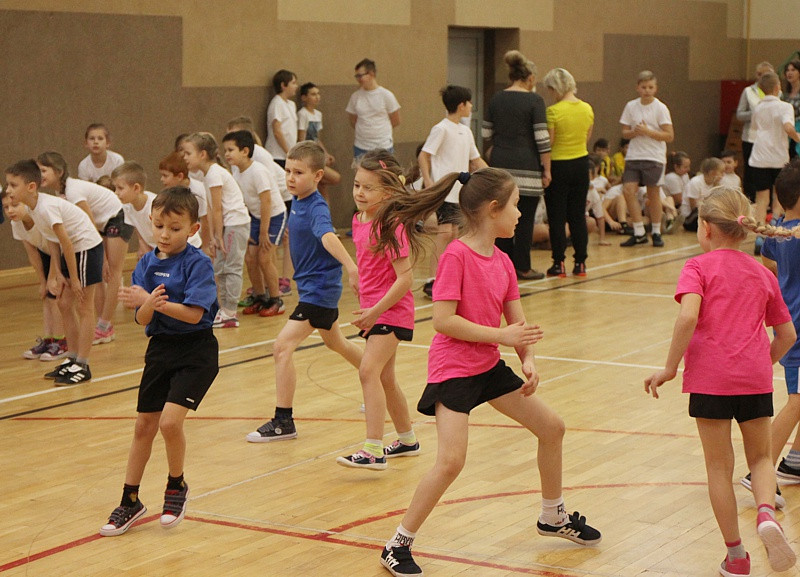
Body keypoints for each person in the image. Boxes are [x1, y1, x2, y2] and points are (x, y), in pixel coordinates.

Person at [374, 167, 601, 577]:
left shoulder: (503, 261)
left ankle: (553, 515)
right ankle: (397, 543)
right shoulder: (457, 256)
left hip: (487, 364)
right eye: (515, 206)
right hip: (454, 369)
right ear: (493, 209)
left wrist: (527, 359)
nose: (520, 214)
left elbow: (519, 323)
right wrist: (501, 335)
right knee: (450, 461)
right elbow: (443, 321)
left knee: (552, 428)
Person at [644, 187, 797, 576]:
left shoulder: (697, 268)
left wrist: (670, 367)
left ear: (707, 228)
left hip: (710, 382)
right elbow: (788, 336)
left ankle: (736, 557)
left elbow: (687, 317)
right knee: (762, 458)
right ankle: (765, 512)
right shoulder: (762, 273)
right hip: (755, 379)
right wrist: (763, 363)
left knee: (718, 469)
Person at [99, 186, 219, 537]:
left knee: (169, 423)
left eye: (175, 228)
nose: (165, 234)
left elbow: (195, 315)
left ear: (193, 229)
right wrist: (145, 304)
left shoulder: (198, 264)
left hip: (196, 352)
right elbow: (140, 321)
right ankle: (130, 500)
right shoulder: (147, 264)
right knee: (143, 427)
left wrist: (154, 301)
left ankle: (175, 486)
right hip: (160, 350)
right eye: (159, 226)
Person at [246, 142, 362, 442]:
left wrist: (351, 267)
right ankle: (380, 381)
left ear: (318, 175)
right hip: (311, 290)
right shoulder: (297, 202)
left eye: (299, 172)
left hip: (320, 292)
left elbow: (327, 236)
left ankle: (283, 421)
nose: (291, 177)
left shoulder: (316, 206)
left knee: (282, 347)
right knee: (338, 344)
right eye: (287, 171)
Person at [335, 150, 419, 470]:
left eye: (368, 188)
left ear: (386, 191)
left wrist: (375, 310)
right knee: (385, 377)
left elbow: (405, 279)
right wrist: (357, 277)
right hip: (372, 309)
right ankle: (408, 438)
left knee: (368, 370)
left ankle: (373, 449)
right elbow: (371, 264)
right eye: (357, 185)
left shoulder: (392, 225)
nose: (359, 192)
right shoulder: (359, 220)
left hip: (392, 310)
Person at [5, 159, 104, 385]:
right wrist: (57, 273)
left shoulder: (47, 207)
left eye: (13, 184)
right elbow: (52, 242)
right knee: (63, 304)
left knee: (84, 307)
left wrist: (75, 279)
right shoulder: (32, 207)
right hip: (72, 253)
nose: (8, 190)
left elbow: (67, 243)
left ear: (31, 187)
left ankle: (84, 364)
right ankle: (72, 357)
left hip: (86, 248)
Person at [740, 160, 800, 510]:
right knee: (797, 400)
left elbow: (771, 267)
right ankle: (758, 470)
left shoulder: (780, 230)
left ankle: (793, 461)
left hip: (789, 317)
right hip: (798, 325)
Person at [37, 151, 131, 345]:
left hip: (116, 218)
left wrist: (102, 257)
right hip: (101, 225)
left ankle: (104, 326)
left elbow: (88, 221)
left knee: (112, 272)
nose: (40, 175)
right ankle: (103, 325)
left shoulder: (73, 191)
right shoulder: (60, 192)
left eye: (43, 170)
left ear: (59, 171)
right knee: (98, 278)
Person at [482, 50, 550, 280]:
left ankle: (501, 267)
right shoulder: (535, 100)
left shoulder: (496, 98)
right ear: (530, 78)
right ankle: (522, 266)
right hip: (528, 166)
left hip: (501, 165)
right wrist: (547, 169)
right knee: (525, 220)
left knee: (500, 217)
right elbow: (542, 138)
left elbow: (485, 132)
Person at [418, 85, 487, 297]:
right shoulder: (441, 128)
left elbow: (476, 161)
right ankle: (432, 279)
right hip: (444, 189)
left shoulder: (465, 132)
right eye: (469, 103)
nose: (471, 106)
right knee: (445, 232)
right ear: (461, 105)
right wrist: (429, 181)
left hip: (460, 191)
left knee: (455, 234)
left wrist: (496, 177)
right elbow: (424, 155)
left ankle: (447, 277)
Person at [182, 132, 250, 328]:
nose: (185, 157)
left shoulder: (214, 173)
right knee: (220, 268)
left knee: (231, 268)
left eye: (188, 153)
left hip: (234, 225)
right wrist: (212, 236)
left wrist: (219, 235)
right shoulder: (208, 175)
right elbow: (211, 209)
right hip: (226, 226)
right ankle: (223, 309)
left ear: (202, 154)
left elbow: (218, 208)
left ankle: (230, 312)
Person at [227, 116, 294, 298]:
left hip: (281, 196)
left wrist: (267, 229)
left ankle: (279, 287)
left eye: (233, 141)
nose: (227, 151)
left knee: (269, 250)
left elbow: (268, 195)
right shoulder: (237, 166)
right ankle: (261, 292)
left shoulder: (260, 159)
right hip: (258, 210)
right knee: (252, 257)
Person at [2, 190, 67, 362]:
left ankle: (62, 341)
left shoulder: (40, 218)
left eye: (15, 205)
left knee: (56, 296)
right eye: (6, 207)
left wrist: (53, 277)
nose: (10, 211)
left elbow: (57, 248)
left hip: (63, 251)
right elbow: (32, 252)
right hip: (46, 252)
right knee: (46, 295)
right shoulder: (16, 224)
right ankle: (48, 339)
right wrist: (42, 281)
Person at [543, 67, 594, 277]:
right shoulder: (587, 108)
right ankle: (580, 262)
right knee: (577, 216)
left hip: (559, 165)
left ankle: (558, 263)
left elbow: (550, 142)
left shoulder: (553, 111)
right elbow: (587, 138)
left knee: (557, 217)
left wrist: (545, 169)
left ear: (556, 88)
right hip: (581, 163)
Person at [619, 70, 674, 248]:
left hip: (654, 156)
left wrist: (648, 132)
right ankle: (639, 231)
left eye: (650, 87)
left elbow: (669, 135)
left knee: (653, 195)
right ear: (638, 88)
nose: (647, 90)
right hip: (634, 155)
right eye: (644, 87)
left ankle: (656, 231)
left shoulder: (660, 108)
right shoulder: (631, 106)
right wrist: (634, 132)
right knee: (628, 190)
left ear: (655, 88)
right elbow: (624, 132)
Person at [750, 71, 800, 242]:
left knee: (761, 198)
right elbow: (787, 127)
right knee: (778, 198)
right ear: (777, 87)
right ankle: (775, 234)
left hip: (759, 157)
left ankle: (759, 236)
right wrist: (798, 137)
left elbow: (755, 127)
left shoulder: (758, 107)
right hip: (778, 157)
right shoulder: (785, 106)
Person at [346, 58, 401, 159]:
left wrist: (379, 131)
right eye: (356, 76)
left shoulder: (386, 95)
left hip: (383, 146)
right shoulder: (355, 96)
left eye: (360, 75)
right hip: (361, 146)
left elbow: (396, 120)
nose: (358, 79)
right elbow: (353, 120)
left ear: (371, 74)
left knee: (384, 174)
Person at [737, 61, 775, 201]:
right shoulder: (748, 91)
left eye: (763, 74)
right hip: (751, 138)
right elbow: (740, 114)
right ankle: (750, 199)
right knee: (750, 171)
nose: (759, 77)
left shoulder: (778, 92)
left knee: (768, 171)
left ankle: (768, 202)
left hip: (770, 139)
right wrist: (756, 113)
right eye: (758, 74)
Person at [157, 151, 209, 251]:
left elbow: (205, 220)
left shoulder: (199, 190)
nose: (161, 179)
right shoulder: (169, 193)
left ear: (180, 176)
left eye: (165, 176)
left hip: (198, 235)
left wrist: (205, 246)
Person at [297, 82, 341, 200]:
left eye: (318, 94)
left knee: (323, 187)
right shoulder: (302, 114)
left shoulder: (318, 114)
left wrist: (326, 154)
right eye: (313, 94)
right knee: (335, 177)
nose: (317, 97)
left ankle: (326, 217)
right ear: (304, 97)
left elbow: (317, 139)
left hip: (317, 153)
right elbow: (302, 139)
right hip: (309, 157)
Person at [111, 161, 157, 260]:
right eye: (115, 188)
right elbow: (138, 227)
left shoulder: (155, 206)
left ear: (136, 188)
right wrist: (143, 246)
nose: (116, 193)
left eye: (120, 188)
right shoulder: (127, 206)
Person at [265, 69, 299, 168]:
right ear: (283, 85)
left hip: (289, 154)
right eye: (293, 83)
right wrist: (288, 152)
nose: (296, 86)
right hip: (278, 154)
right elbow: (277, 131)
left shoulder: (291, 104)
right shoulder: (277, 103)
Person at [683, 158, 725, 232]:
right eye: (721, 172)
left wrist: (716, 187)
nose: (723, 175)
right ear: (712, 173)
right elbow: (693, 206)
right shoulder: (695, 182)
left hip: (705, 213)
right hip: (691, 215)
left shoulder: (715, 184)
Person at [663, 151, 692, 232]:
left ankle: (672, 221)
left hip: (679, 205)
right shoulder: (671, 177)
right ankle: (672, 220)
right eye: (685, 167)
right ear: (676, 167)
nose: (688, 169)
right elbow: (679, 200)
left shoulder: (685, 175)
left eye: (689, 166)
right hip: (669, 205)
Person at [782, 60, 800, 159]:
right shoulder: (784, 94)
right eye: (787, 70)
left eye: (793, 70)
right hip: (787, 131)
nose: (789, 73)